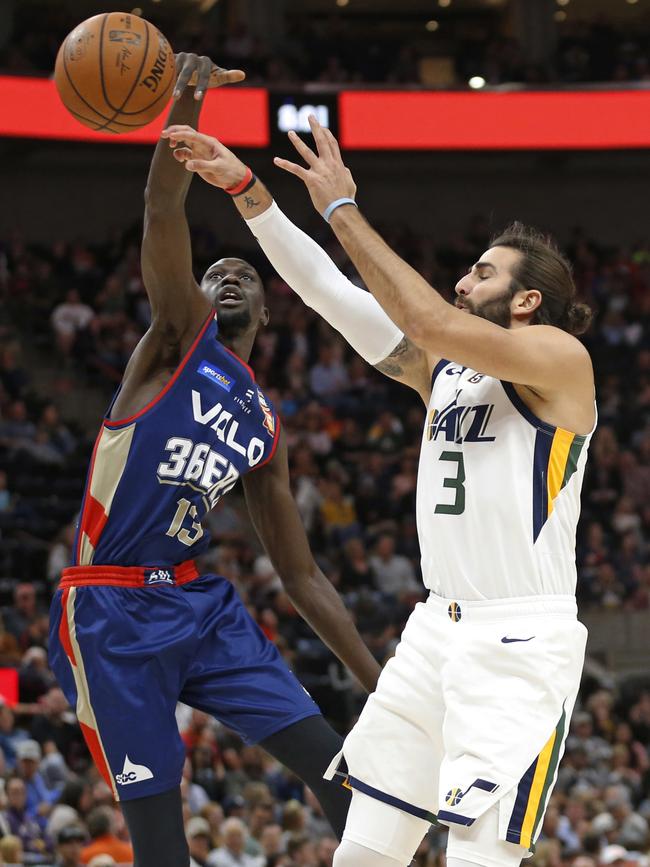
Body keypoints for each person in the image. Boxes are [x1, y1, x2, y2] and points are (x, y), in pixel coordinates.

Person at [162, 117, 596, 867]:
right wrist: (246, 189)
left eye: (484, 273)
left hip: (519, 641)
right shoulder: (446, 372)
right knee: (362, 849)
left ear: (526, 302)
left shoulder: (561, 361)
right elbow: (328, 290)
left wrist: (342, 207)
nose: (464, 281)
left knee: (478, 858)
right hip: (434, 631)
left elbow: (422, 314)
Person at [48, 55, 380, 867]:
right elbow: (163, 205)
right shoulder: (172, 345)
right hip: (111, 612)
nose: (227, 274)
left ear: (270, 307)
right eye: (213, 272)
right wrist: (187, 104)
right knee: (163, 847)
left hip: (201, 607)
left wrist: (380, 680)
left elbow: (301, 578)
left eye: (244, 273)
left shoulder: (265, 419)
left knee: (342, 775)